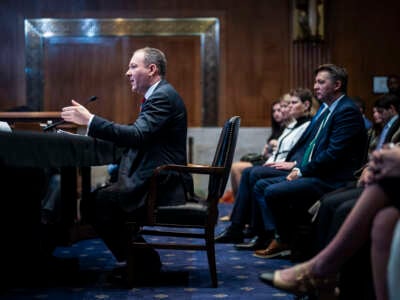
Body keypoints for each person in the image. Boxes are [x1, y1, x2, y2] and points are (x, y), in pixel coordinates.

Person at [61, 47, 193, 268]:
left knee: (95, 203)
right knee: (97, 201)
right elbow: (139, 133)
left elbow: (138, 135)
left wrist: (92, 120)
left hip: (164, 182)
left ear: (152, 69)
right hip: (156, 177)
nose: (127, 73)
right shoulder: (159, 95)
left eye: (133, 66)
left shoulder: (162, 96)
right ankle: (140, 260)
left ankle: (144, 262)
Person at [252, 64, 367, 259]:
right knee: (263, 184)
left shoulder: (346, 111)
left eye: (321, 82)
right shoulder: (329, 109)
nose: (315, 87)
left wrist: (302, 170)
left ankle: (288, 240)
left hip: (334, 179)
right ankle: (288, 239)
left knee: (272, 190)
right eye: (315, 82)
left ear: (337, 85)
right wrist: (301, 167)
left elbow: (333, 155)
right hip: (321, 172)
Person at [259, 145, 400, 300]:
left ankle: (321, 270)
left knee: (343, 208)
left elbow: (333, 153)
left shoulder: (348, 120)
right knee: (384, 219)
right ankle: (320, 270)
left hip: (337, 176)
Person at [215, 88, 313, 247]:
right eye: (288, 104)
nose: (287, 108)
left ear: (307, 105)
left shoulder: (307, 125)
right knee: (248, 172)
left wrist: (294, 163)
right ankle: (238, 228)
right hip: (280, 163)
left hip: (292, 166)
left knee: (252, 173)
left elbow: (299, 152)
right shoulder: (292, 126)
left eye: (293, 103)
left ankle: (257, 231)